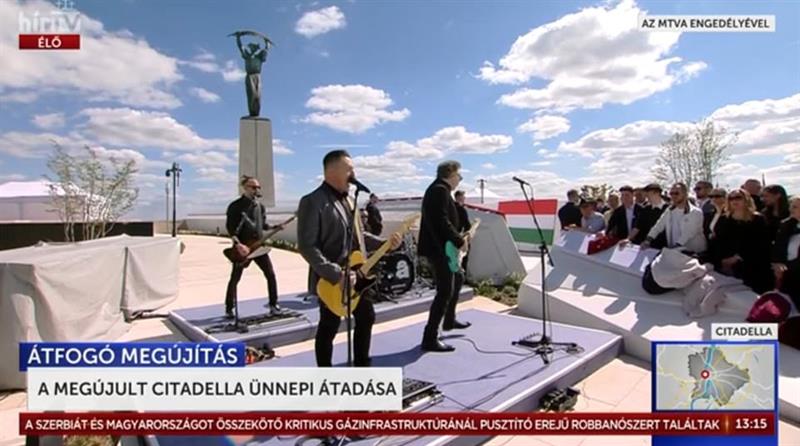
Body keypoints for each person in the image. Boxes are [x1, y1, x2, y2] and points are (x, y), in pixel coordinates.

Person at [296, 150, 402, 367]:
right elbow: (307, 246)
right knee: (329, 326)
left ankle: (362, 366)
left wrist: (385, 244)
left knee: (366, 317)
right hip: (332, 280)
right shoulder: (312, 201)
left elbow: (360, 236)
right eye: (350, 169)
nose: (354, 174)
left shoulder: (350, 201)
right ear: (332, 171)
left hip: (358, 273)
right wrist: (336, 273)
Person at [418, 161, 471, 352]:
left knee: (458, 278)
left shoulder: (440, 190)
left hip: (443, 248)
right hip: (438, 250)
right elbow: (440, 221)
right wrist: (459, 240)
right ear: (450, 174)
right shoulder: (439, 190)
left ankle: (449, 319)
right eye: (459, 175)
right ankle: (430, 337)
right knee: (444, 291)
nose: (460, 179)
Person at [225, 176, 284, 317]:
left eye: (258, 187)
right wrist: (238, 245)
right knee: (235, 278)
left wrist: (275, 227)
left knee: (270, 274)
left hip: (258, 246)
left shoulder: (260, 207)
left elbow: (263, 225)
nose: (256, 190)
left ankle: (273, 304)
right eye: (253, 187)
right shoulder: (235, 206)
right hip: (242, 248)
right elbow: (230, 228)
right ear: (244, 188)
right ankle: (229, 307)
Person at [708, 189, 772, 293]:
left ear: (746, 199)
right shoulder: (724, 219)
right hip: (726, 264)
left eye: (738, 197)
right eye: (731, 198)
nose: (734, 201)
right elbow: (718, 242)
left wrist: (738, 257)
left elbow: (761, 243)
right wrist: (722, 260)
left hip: (752, 264)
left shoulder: (757, 219)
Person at [641, 183, 706, 254]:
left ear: (685, 194)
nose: (673, 196)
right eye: (671, 193)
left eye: (676, 193)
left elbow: (687, 235)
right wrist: (648, 240)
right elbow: (658, 226)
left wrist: (673, 248)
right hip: (674, 252)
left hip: (693, 253)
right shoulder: (669, 210)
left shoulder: (695, 212)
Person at [772, 196, 800, 309]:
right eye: (791, 206)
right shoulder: (787, 225)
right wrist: (777, 263)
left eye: (795, 207)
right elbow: (778, 247)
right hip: (788, 274)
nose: (791, 209)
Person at [454, 190, 472, 272]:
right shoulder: (461, 209)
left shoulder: (449, 207)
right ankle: (462, 275)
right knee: (463, 257)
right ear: (459, 197)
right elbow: (467, 225)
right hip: (459, 236)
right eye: (463, 197)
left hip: (449, 236)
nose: (464, 198)